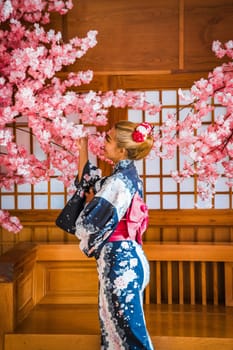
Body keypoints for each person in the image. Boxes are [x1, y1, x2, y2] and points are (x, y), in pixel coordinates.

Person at [75, 120, 154, 350]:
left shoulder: (119, 181)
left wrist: (90, 203)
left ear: (121, 150)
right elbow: (89, 183)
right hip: (124, 259)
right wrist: (82, 147)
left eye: (108, 139)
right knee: (113, 328)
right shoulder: (124, 177)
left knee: (129, 334)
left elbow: (89, 222)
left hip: (121, 262)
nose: (104, 142)